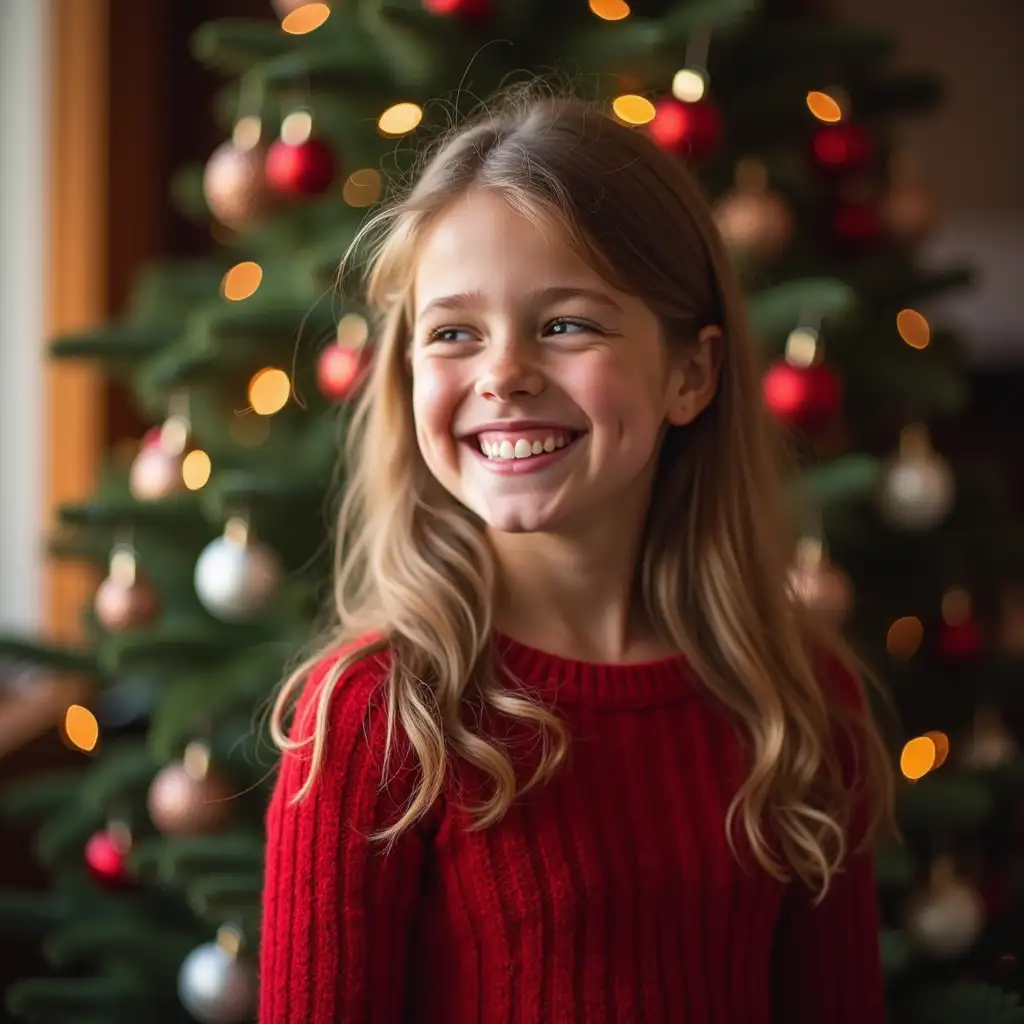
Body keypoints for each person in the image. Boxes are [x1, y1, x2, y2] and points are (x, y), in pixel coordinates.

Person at [259, 88, 895, 1023]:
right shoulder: (375, 719)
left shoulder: (799, 699)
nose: (503, 373)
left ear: (692, 374)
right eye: (453, 333)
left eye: (566, 324)